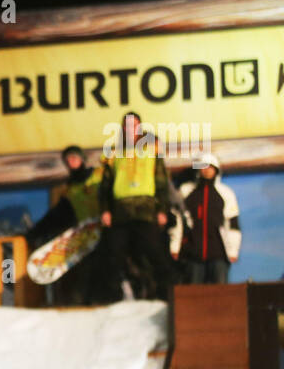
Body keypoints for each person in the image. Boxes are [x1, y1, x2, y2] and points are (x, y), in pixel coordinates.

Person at [97, 112, 175, 302]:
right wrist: (105, 210)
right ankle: (112, 300)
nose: (132, 129)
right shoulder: (113, 152)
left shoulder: (152, 149)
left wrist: (162, 210)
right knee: (113, 256)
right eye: (128, 125)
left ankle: (168, 296)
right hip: (120, 212)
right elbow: (105, 185)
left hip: (145, 210)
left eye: (135, 125)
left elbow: (162, 182)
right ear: (123, 128)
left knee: (155, 253)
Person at [25, 145, 103, 305]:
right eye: (68, 160)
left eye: (75, 158)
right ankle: (82, 303)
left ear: (82, 159)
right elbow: (57, 215)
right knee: (82, 270)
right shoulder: (70, 188)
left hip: (107, 228)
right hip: (86, 235)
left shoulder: (98, 175)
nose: (72, 162)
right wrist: (34, 233)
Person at [172, 152, 241, 284]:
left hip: (218, 252)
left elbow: (232, 223)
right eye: (203, 167)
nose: (206, 170)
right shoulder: (186, 191)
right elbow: (178, 220)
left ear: (216, 170)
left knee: (220, 292)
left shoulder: (225, 193)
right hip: (192, 252)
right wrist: (175, 247)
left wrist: (233, 250)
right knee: (194, 292)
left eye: (210, 167)